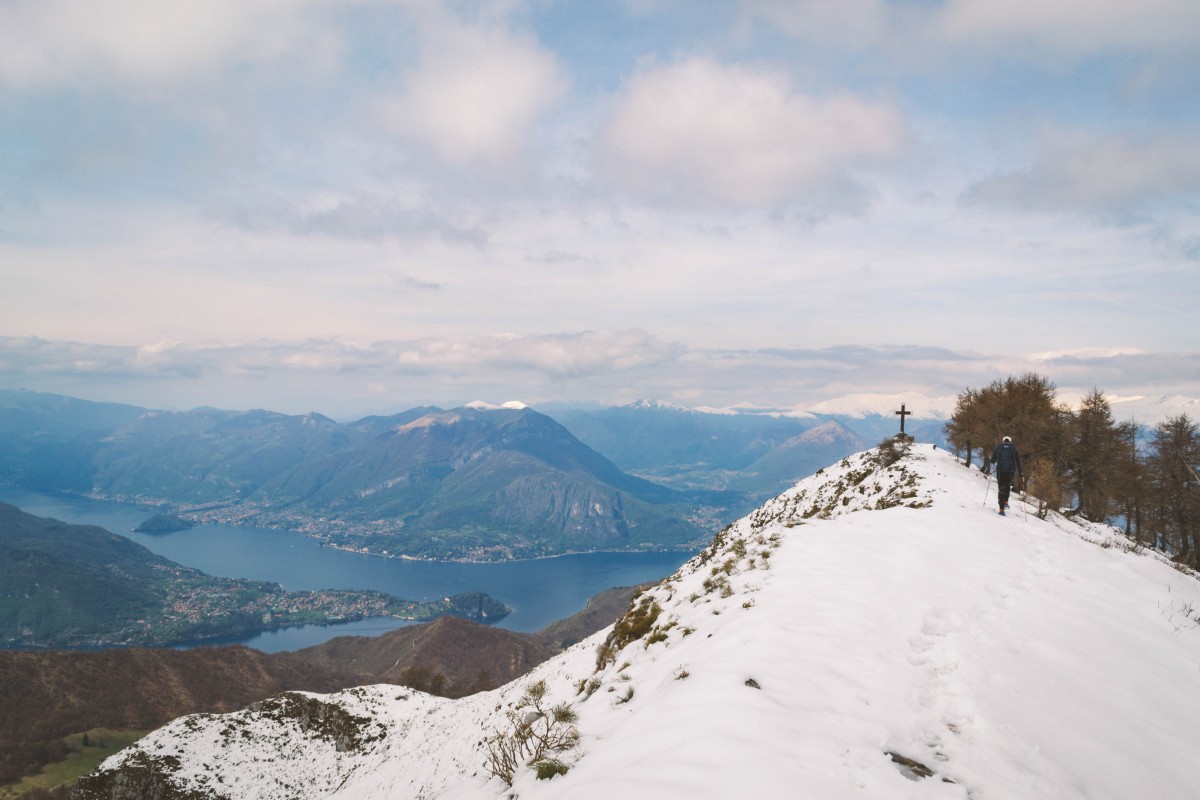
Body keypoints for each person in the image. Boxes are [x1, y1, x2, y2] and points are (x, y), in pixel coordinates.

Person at [990, 436, 1024, 516]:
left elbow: (992, 460)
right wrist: (1021, 473)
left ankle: (1001, 509)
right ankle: (1006, 501)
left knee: (1001, 488)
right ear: (1010, 441)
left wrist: (991, 470)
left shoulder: (998, 447)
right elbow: (1018, 462)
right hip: (1010, 471)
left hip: (1000, 470)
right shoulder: (1014, 448)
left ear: (1003, 441)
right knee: (1007, 485)